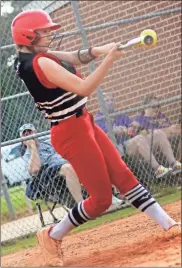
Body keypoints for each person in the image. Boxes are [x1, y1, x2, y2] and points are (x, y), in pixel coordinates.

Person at [11, 10, 180, 265]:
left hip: (83, 122)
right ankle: (52, 234)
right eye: (43, 31)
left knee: (122, 175)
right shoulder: (39, 63)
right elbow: (84, 87)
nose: (48, 35)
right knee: (100, 200)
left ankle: (169, 225)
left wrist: (104, 49)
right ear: (28, 35)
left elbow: (74, 57)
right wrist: (110, 59)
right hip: (70, 132)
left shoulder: (35, 56)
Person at [20, 123, 124, 209]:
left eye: (30, 132)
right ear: (22, 139)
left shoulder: (47, 142)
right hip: (49, 173)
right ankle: (82, 208)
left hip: (65, 161)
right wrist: (33, 146)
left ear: (35, 132)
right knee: (68, 168)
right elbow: (35, 169)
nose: (28, 135)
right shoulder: (28, 154)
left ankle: (108, 196)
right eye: (25, 134)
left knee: (91, 159)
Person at [95, 92, 176, 179]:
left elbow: (131, 129)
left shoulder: (121, 114)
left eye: (112, 100)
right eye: (107, 100)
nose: (110, 102)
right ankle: (157, 169)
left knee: (158, 133)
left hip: (132, 143)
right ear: (101, 104)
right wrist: (119, 131)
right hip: (118, 149)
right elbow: (106, 136)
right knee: (139, 138)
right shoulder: (99, 119)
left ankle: (174, 164)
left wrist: (134, 127)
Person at [131, 94, 181, 174]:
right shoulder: (140, 119)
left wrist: (174, 128)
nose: (157, 109)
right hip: (153, 144)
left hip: (170, 139)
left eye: (158, 106)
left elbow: (170, 129)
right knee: (159, 133)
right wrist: (167, 130)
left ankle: (177, 163)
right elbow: (141, 135)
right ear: (145, 107)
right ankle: (175, 165)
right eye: (154, 106)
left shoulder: (161, 116)